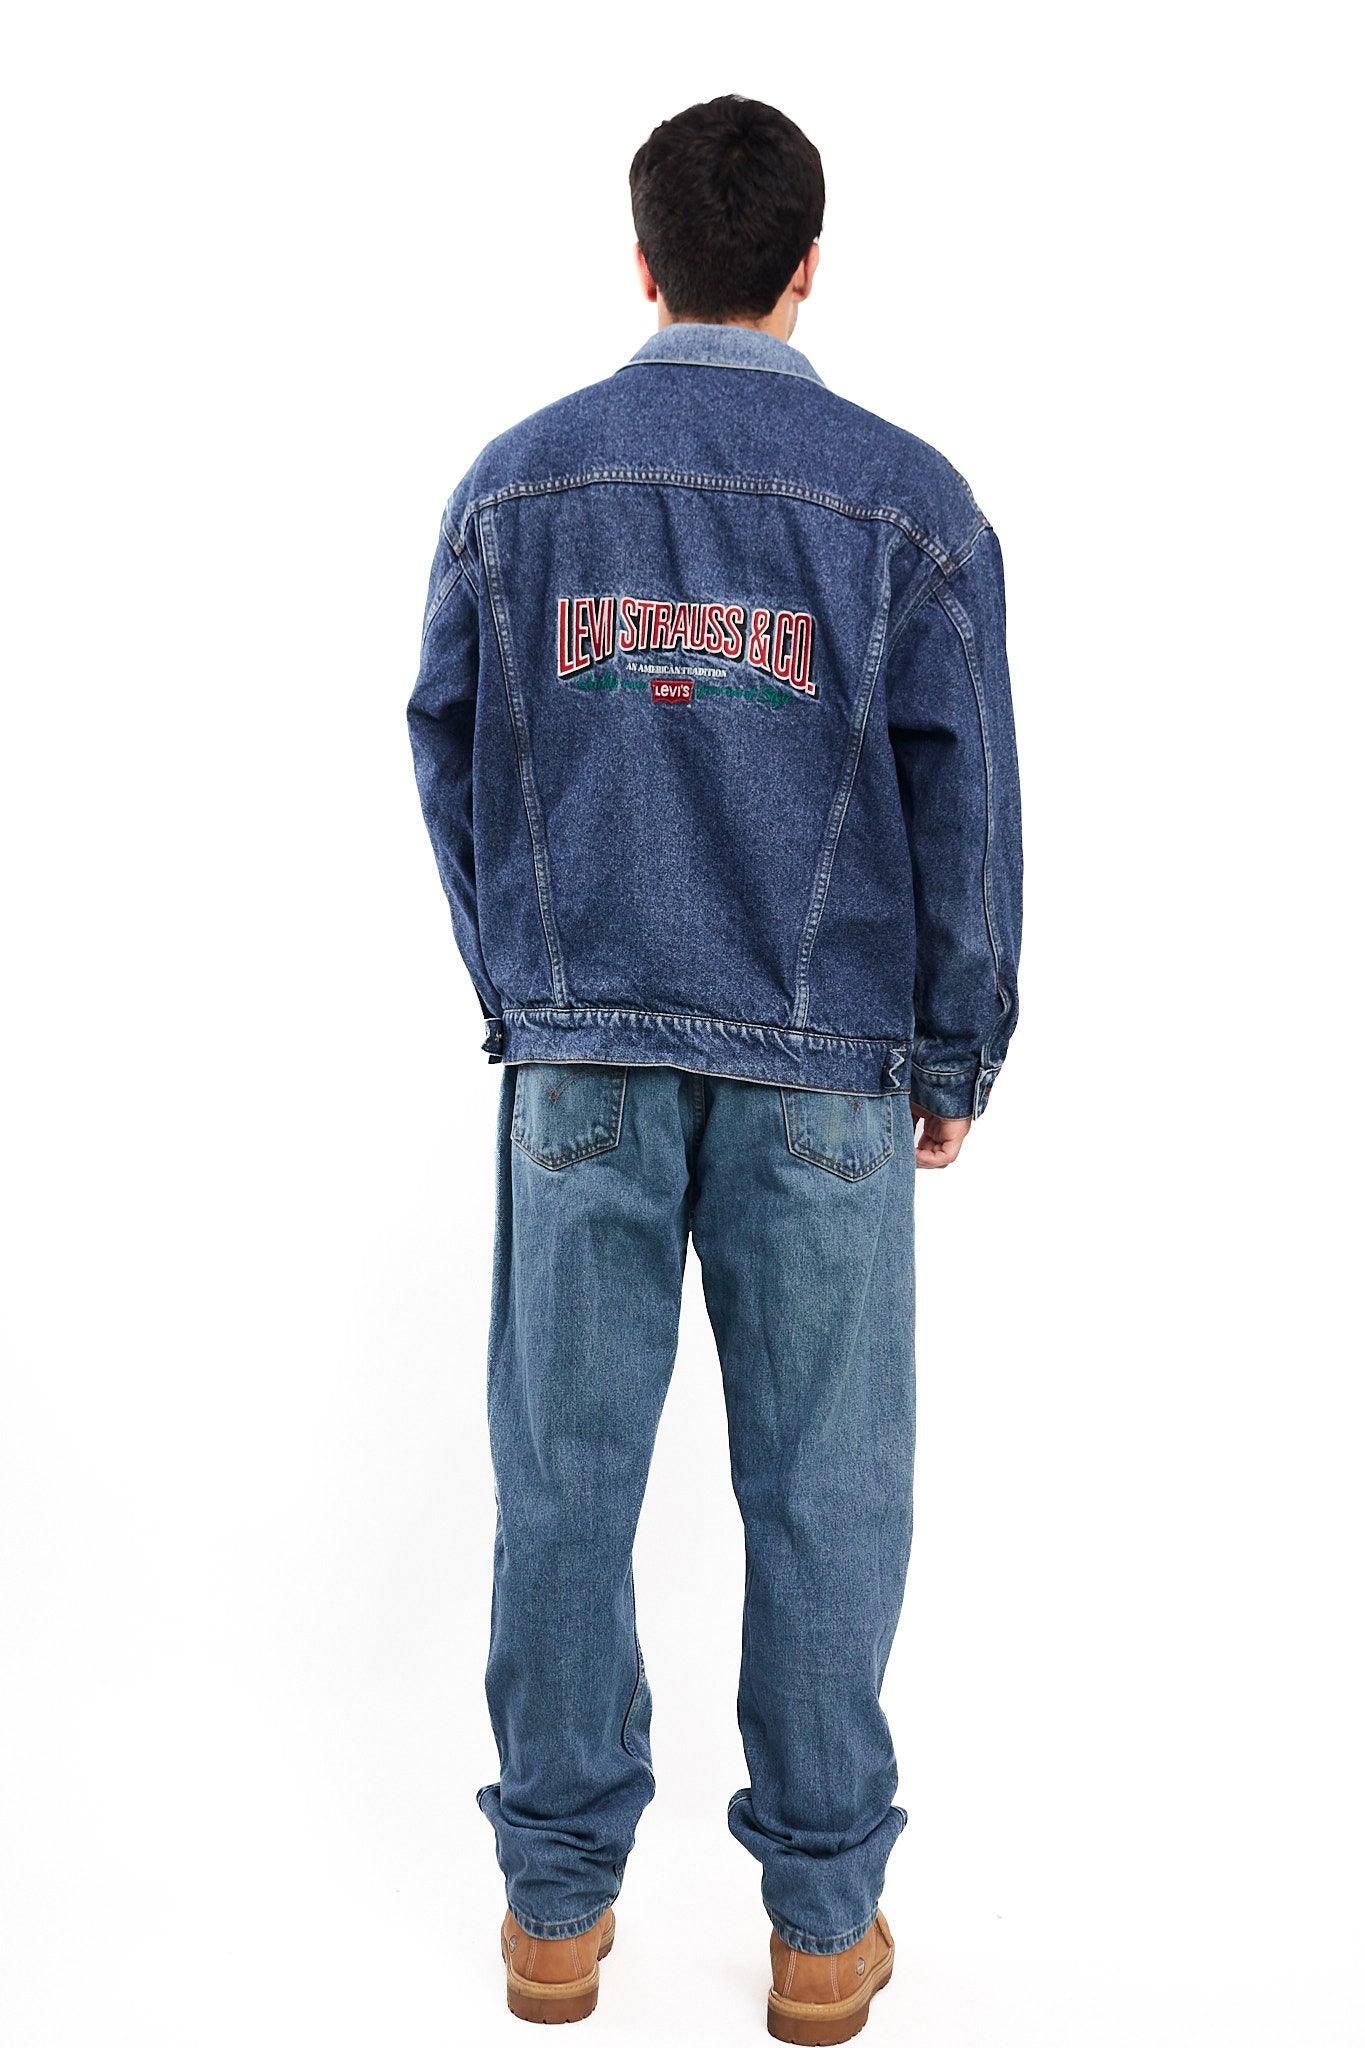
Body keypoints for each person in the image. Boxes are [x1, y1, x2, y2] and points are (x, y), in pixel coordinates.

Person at [407, 93, 1022, 2042]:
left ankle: (552, 1918)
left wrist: (530, 984)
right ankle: (821, 1934)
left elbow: (445, 743)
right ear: (807, 266)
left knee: (561, 1488)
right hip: (827, 1076)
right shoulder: (909, 505)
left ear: (644, 260)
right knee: (827, 1498)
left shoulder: (516, 490)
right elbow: (966, 808)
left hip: (580, 1058)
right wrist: (954, 1046)